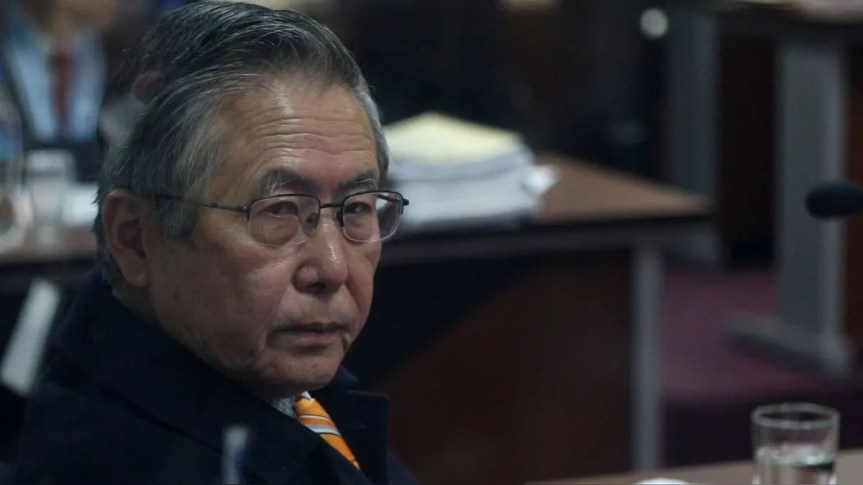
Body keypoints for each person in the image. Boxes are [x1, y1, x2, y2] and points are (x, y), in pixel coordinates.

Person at [12, 2, 414, 483]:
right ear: (135, 238)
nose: (332, 268)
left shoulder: (279, 388)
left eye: (357, 209)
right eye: (279, 211)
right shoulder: (117, 462)